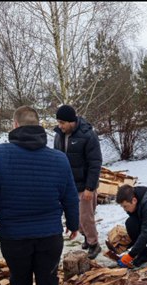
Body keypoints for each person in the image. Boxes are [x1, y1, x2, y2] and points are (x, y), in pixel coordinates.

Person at [0, 106, 80, 285]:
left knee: (20, 278)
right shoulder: (59, 159)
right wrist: (73, 224)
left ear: (15, 126)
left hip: (14, 236)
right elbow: (70, 196)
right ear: (39, 126)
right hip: (49, 235)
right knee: (48, 279)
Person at [53, 104, 103, 259]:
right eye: (58, 122)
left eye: (62, 123)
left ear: (71, 121)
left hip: (84, 185)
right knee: (74, 217)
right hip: (68, 186)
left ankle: (94, 244)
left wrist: (90, 187)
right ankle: (87, 237)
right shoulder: (59, 136)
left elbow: (95, 163)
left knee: (85, 217)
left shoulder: (88, 135)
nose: (59, 126)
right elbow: (57, 159)